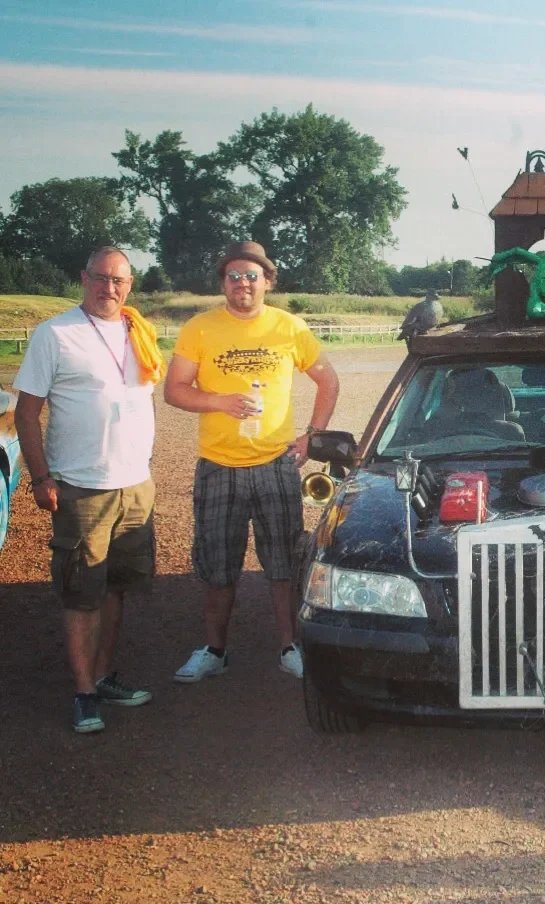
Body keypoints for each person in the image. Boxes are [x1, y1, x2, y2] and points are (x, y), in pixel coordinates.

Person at [165, 240, 339, 683]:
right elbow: (175, 390)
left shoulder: (289, 326)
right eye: (234, 276)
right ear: (223, 282)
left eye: (251, 276)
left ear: (268, 281)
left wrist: (311, 437)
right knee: (218, 565)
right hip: (218, 465)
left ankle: (288, 647)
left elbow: (327, 380)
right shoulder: (200, 328)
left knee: (282, 563)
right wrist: (218, 400)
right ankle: (214, 650)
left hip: (275, 465)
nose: (242, 283)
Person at [14, 246, 163, 734]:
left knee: (117, 586)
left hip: (134, 484)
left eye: (119, 280)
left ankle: (102, 676)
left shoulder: (138, 331)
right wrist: (40, 476)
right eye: (100, 278)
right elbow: (26, 412)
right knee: (82, 592)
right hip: (82, 485)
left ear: (130, 285)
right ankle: (83, 693)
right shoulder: (55, 333)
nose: (109, 288)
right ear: (83, 278)